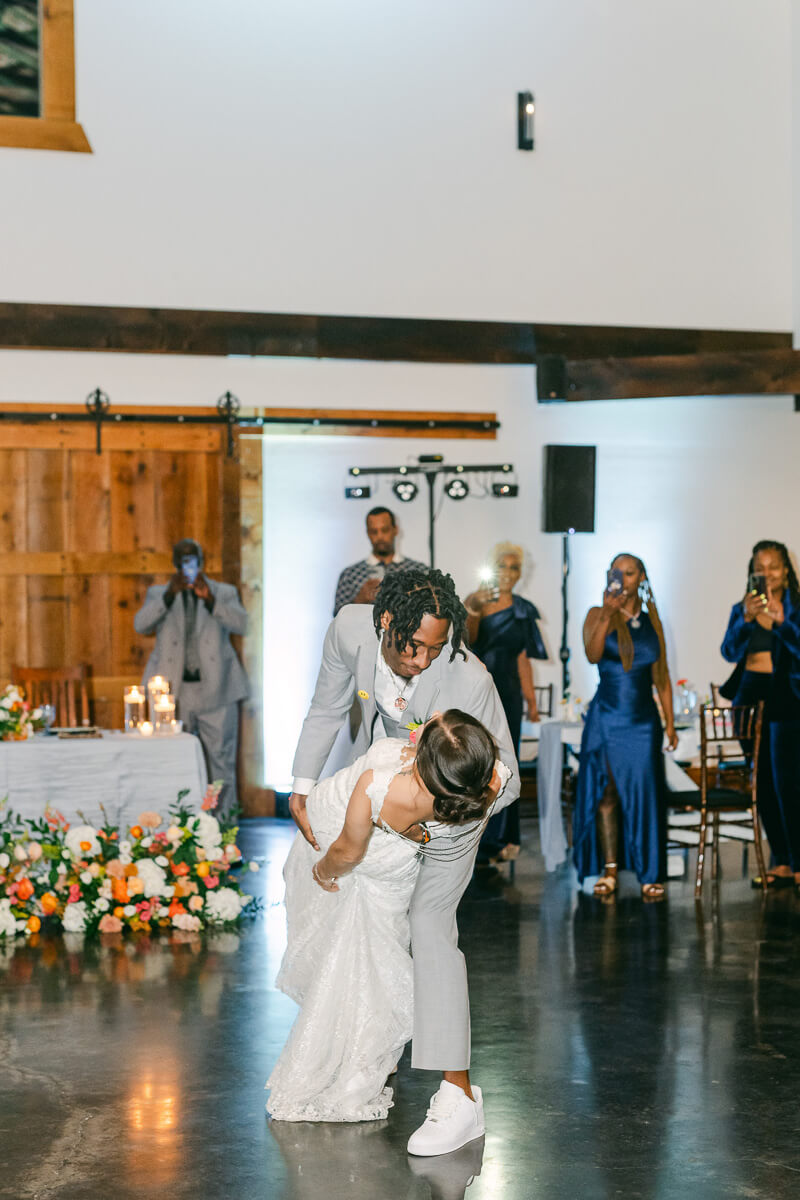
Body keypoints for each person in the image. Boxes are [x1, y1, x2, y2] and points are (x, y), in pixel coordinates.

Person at [288, 567, 518, 1156]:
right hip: (393, 782)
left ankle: (459, 1096)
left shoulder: (469, 679)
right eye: (416, 647)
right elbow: (326, 705)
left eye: (437, 649)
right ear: (386, 621)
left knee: (427, 926)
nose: (424, 661)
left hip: (457, 809)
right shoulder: (349, 630)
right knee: (373, 919)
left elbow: (504, 779)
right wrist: (300, 784)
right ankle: (369, 1045)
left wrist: (434, 817)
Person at [267, 710, 509, 1129]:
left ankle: (345, 1064)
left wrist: (322, 870)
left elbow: (348, 850)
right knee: (375, 959)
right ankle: (368, 1053)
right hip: (394, 873)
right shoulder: (482, 784)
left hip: (348, 849)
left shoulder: (379, 787)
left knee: (349, 955)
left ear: (425, 763)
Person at [572, 553, 678, 901]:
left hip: (644, 721)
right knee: (607, 793)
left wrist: (670, 724)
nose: (623, 578)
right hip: (607, 716)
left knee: (647, 795)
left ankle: (650, 874)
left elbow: (661, 678)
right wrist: (607, 612)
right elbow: (591, 653)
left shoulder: (652, 621)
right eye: (617, 572)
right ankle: (610, 870)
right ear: (609, 575)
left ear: (641, 577)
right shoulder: (596, 613)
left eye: (630, 573)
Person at [134, 538, 248, 813]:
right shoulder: (159, 592)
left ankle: (224, 833)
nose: (188, 566)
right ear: (175, 564)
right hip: (173, 693)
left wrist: (209, 599)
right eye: (182, 560)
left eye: (192, 559)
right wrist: (168, 596)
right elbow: (141, 624)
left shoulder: (222, 591)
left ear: (200, 561)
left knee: (221, 762)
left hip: (217, 688)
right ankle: (178, 827)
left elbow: (242, 624)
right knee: (172, 759)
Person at [720, 539, 800, 887]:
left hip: (786, 695)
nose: (766, 574)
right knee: (762, 782)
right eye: (760, 567)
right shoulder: (742, 608)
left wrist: (782, 623)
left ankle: (797, 861)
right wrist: (748, 619)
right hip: (749, 695)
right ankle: (781, 860)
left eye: (773, 566)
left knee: (789, 783)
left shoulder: (795, 607)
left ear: (786, 571)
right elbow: (728, 651)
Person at [464, 541, 547, 863]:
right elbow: (467, 642)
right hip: (479, 689)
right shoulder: (476, 601)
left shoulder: (523, 609)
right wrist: (473, 606)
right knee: (479, 761)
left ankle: (503, 837)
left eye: (515, 567)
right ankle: (475, 836)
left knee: (505, 761)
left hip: (509, 692)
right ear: (491, 566)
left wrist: (532, 701)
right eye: (503, 565)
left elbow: (523, 659)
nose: (509, 573)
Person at [333, 506, 427, 615]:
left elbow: (432, 612)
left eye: (385, 530)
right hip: (364, 632)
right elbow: (338, 619)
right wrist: (359, 600)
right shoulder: (349, 575)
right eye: (374, 531)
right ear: (368, 533)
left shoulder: (418, 571)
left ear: (395, 530)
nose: (380, 536)